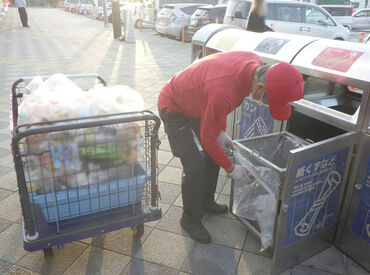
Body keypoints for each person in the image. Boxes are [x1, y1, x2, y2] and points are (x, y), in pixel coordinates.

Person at [158, 51, 303, 244]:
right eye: (268, 101)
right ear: (259, 87)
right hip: (173, 104)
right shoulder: (222, 91)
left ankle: (206, 200)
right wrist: (232, 169)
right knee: (194, 165)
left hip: (199, 100)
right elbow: (208, 137)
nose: (266, 104)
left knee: (214, 155)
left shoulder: (254, 65)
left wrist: (222, 131)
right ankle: (190, 219)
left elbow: (222, 108)